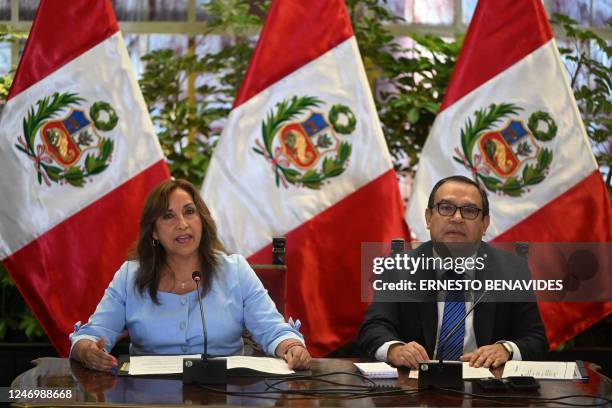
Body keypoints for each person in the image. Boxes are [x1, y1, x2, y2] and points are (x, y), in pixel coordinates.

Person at [70, 179, 311, 372]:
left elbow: (274, 331)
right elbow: (93, 334)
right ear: (153, 231)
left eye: (189, 212)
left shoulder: (235, 270)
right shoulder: (129, 276)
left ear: (202, 220)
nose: (182, 224)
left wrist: (291, 347)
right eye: (168, 216)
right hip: (148, 396)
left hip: (227, 395)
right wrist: (86, 349)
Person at [358, 175, 548, 369]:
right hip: (416, 386)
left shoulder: (511, 270)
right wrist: (395, 350)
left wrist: (506, 349)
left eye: (469, 210)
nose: (457, 218)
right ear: (428, 218)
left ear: (484, 224)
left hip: (487, 388)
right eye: (446, 208)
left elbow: (536, 339)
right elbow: (374, 327)